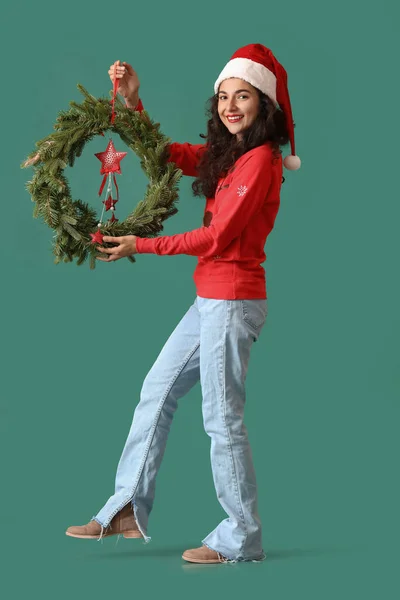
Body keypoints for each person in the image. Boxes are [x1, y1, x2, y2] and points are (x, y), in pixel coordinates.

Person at [66, 43, 301, 564]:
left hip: (232, 301)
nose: (231, 105)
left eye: (243, 96)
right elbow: (170, 155)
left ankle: (242, 538)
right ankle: (125, 506)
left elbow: (217, 238)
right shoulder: (232, 155)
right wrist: (133, 102)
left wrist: (140, 244)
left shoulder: (260, 161)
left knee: (222, 417)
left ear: (264, 104)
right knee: (157, 390)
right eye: (223, 96)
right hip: (210, 299)